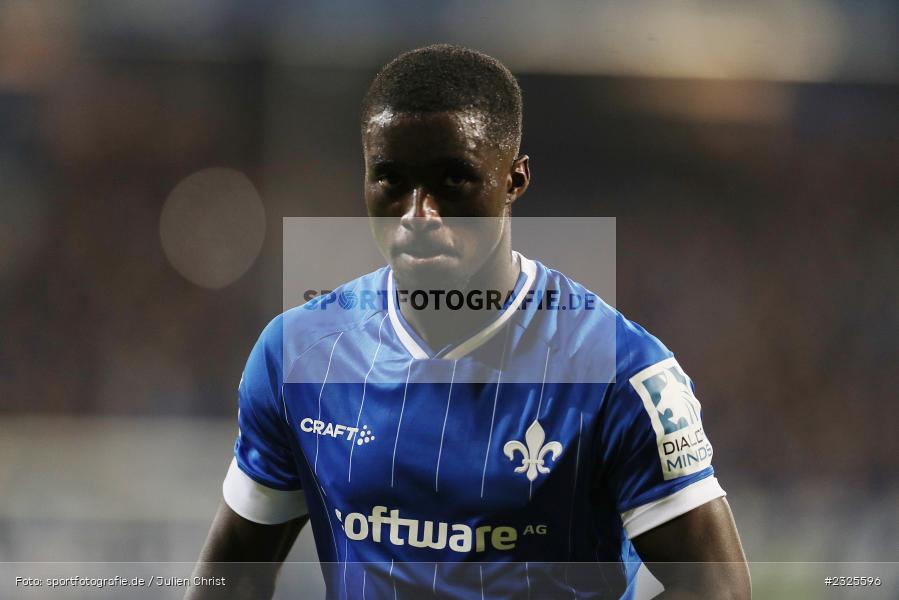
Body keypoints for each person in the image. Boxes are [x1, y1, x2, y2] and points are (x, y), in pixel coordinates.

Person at [188, 44, 750, 600]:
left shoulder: (621, 372)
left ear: (514, 180)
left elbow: (715, 586)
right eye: (391, 180)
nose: (418, 213)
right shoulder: (297, 354)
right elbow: (235, 573)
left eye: (451, 180)